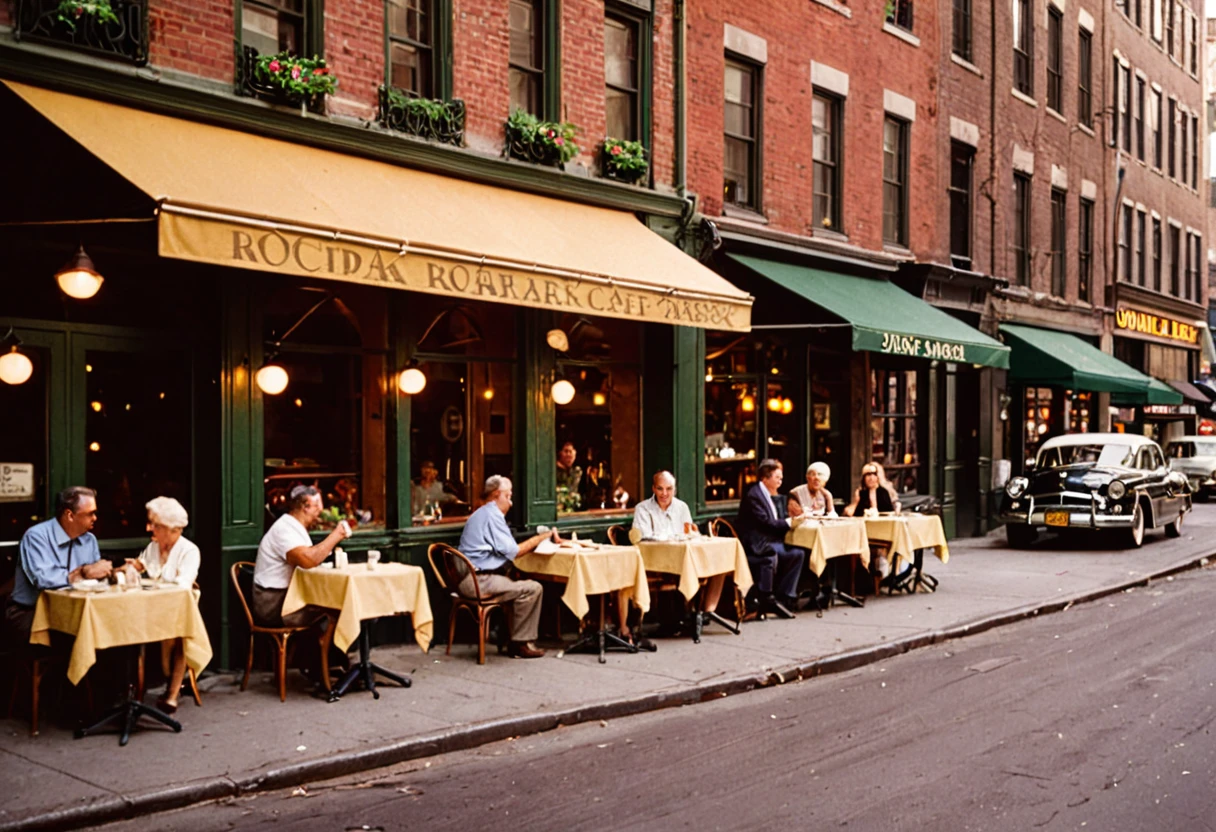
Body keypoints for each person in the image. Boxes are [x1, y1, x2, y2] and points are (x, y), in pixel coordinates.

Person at [458, 475, 558, 658]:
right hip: (478, 581)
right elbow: (514, 552)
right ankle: (519, 643)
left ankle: (506, 635)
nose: (510, 500)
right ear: (497, 495)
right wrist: (541, 538)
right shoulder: (492, 515)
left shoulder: (483, 513)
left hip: (472, 578)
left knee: (516, 583)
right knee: (532, 588)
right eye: (508, 495)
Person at [5, 486, 112, 645]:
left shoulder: (89, 540)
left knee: (112, 630)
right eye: (90, 513)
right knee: (79, 638)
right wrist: (82, 573)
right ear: (69, 515)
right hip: (29, 612)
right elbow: (43, 580)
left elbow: (95, 581)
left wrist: (114, 573)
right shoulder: (36, 536)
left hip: (74, 611)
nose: (95, 518)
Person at [126, 496, 199, 714]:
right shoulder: (152, 547)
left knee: (182, 635)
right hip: (151, 609)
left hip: (179, 610)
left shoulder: (189, 551)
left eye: (155, 525)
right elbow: (141, 566)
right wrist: (128, 568)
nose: (149, 528)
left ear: (171, 529)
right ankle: (134, 692)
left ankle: (172, 694)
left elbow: (183, 585)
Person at [633, 471, 728, 626]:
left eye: (669, 489)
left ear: (674, 490)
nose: (664, 493)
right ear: (653, 489)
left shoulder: (681, 507)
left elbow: (688, 532)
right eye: (660, 488)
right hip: (655, 561)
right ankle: (681, 618)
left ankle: (703, 611)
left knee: (719, 560)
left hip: (683, 557)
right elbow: (645, 536)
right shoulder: (642, 509)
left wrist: (692, 533)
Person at [253, 485, 351, 629]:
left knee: (338, 604)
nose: (320, 510)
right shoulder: (284, 529)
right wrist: (337, 535)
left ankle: (321, 651)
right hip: (273, 605)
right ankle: (324, 652)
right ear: (305, 507)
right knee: (337, 610)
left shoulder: (294, 527)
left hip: (286, 598)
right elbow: (308, 560)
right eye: (316, 505)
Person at [734, 459, 806, 619]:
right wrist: (791, 522)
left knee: (797, 553)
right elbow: (767, 523)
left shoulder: (770, 494)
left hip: (770, 539)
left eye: (781, 477)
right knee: (773, 554)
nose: (781, 480)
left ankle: (785, 597)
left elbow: (775, 519)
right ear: (765, 478)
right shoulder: (754, 495)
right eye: (777, 477)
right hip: (756, 543)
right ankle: (768, 599)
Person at [843, 463, 897, 579]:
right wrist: (856, 501)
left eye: (874, 474)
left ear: (878, 477)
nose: (871, 477)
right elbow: (854, 516)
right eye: (868, 474)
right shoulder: (861, 494)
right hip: (864, 534)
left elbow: (890, 513)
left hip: (884, 531)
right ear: (863, 478)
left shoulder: (883, 492)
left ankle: (887, 574)